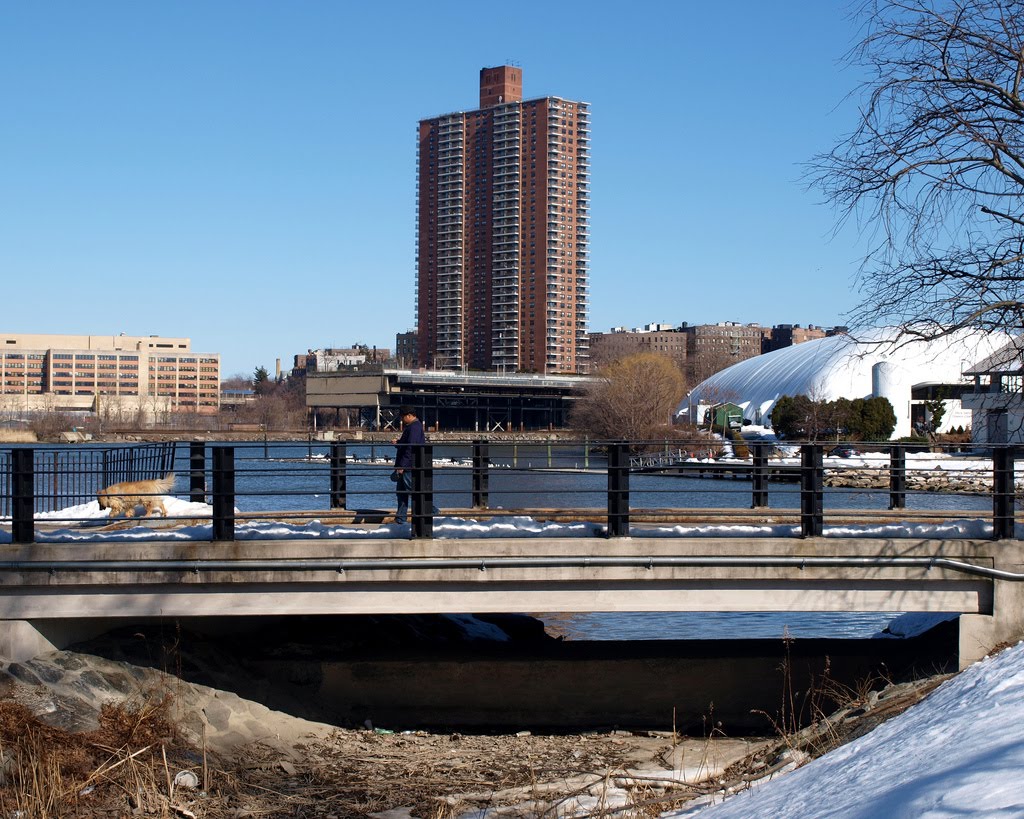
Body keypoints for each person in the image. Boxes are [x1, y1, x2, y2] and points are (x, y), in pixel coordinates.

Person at [392, 405, 438, 524]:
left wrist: (402, 466)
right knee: (402, 493)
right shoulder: (413, 427)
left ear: (409, 415)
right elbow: (409, 444)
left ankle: (431, 510)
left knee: (413, 491)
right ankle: (400, 518)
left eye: (403, 417)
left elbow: (410, 448)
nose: (402, 419)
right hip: (407, 464)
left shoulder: (414, 427)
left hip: (408, 466)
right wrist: (398, 443)